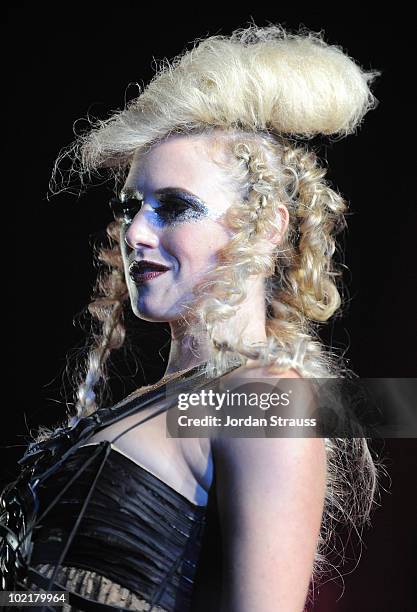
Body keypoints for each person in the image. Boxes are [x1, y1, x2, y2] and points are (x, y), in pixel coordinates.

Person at [0, 24, 381, 611]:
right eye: (131, 208)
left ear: (269, 226)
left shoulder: (259, 398)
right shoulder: (172, 397)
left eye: (174, 207)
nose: (134, 233)